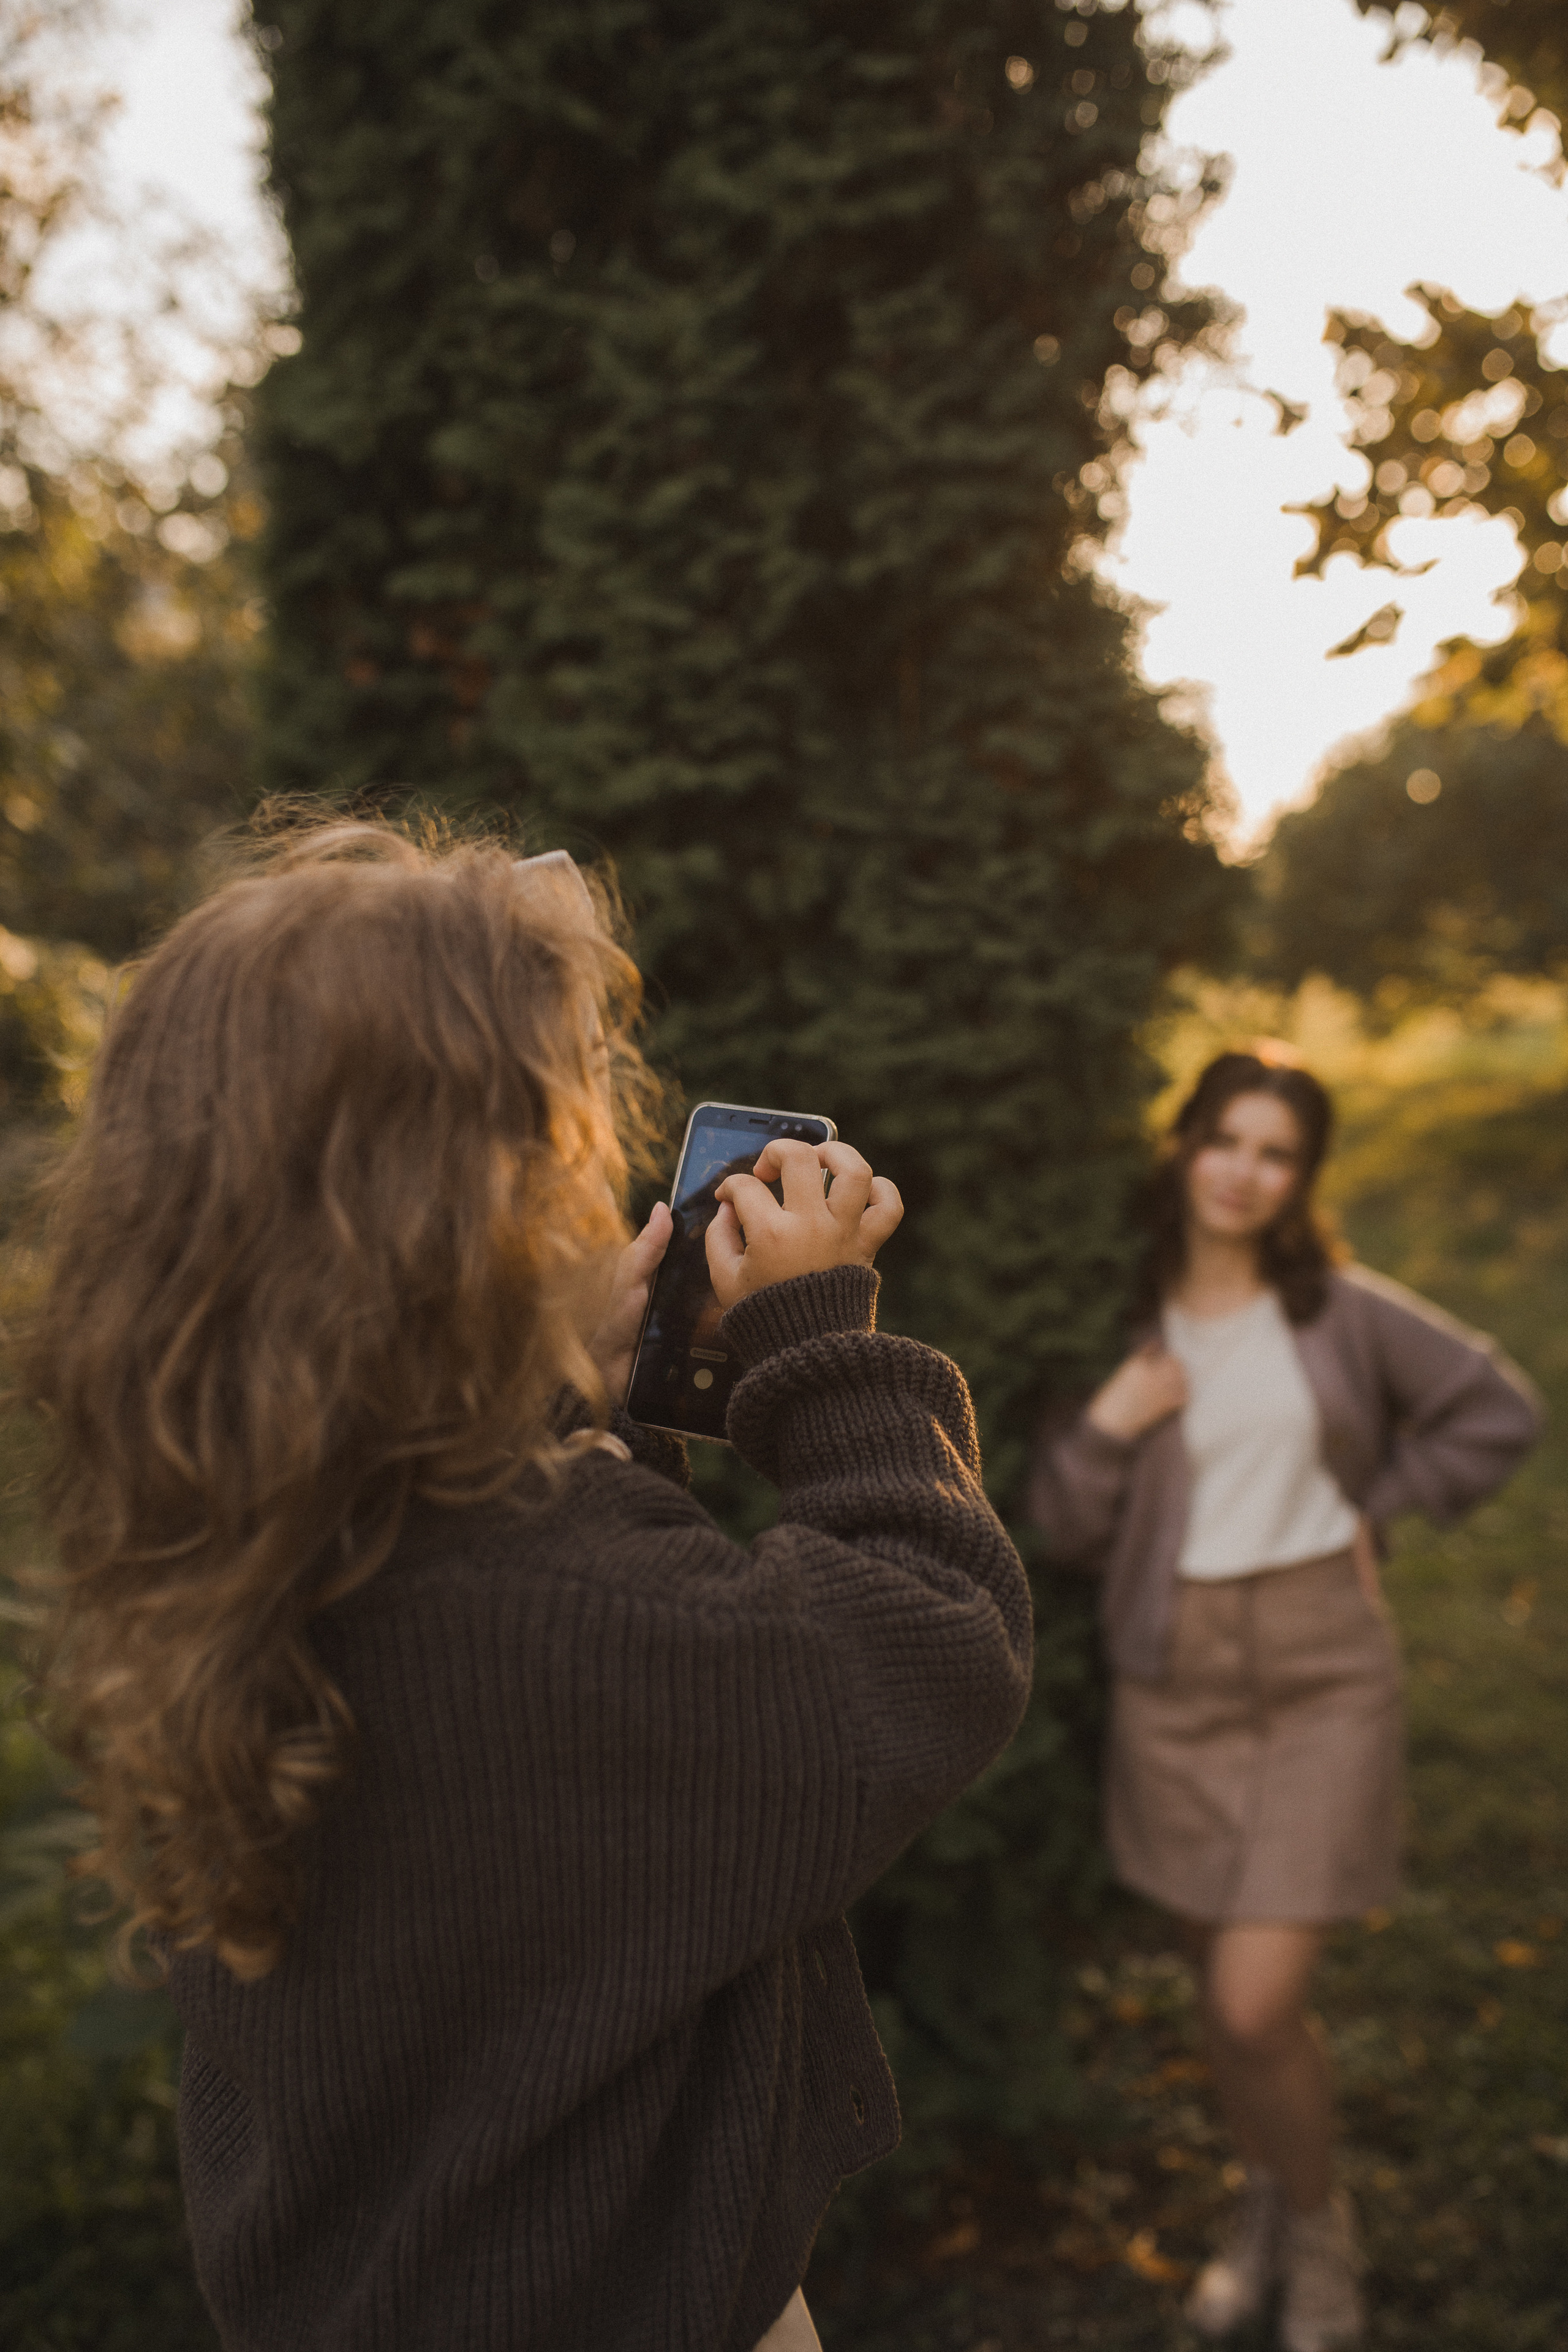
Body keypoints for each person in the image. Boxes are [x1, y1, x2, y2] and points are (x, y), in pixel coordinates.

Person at [30, 820, 1033, 2352]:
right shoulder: (565, 1603)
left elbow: (532, 1765)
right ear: (473, 1220)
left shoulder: (228, 1536)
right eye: (570, 1145)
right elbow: (933, 1642)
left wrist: (565, 1405)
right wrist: (824, 1347)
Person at [1029, 1050, 1541, 2352]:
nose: (1243, 1173)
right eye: (1223, 1141)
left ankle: (1317, 2242)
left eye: (1275, 1153)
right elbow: (1058, 1527)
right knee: (1221, 2004)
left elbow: (1494, 1407)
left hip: (1323, 1672)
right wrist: (1110, 1418)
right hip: (1174, 1685)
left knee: (1253, 2006)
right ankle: (1262, 2200)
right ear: (1182, 1148)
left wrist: (1380, 1504)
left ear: (1301, 1179)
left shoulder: (1340, 1313)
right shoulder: (1125, 1320)